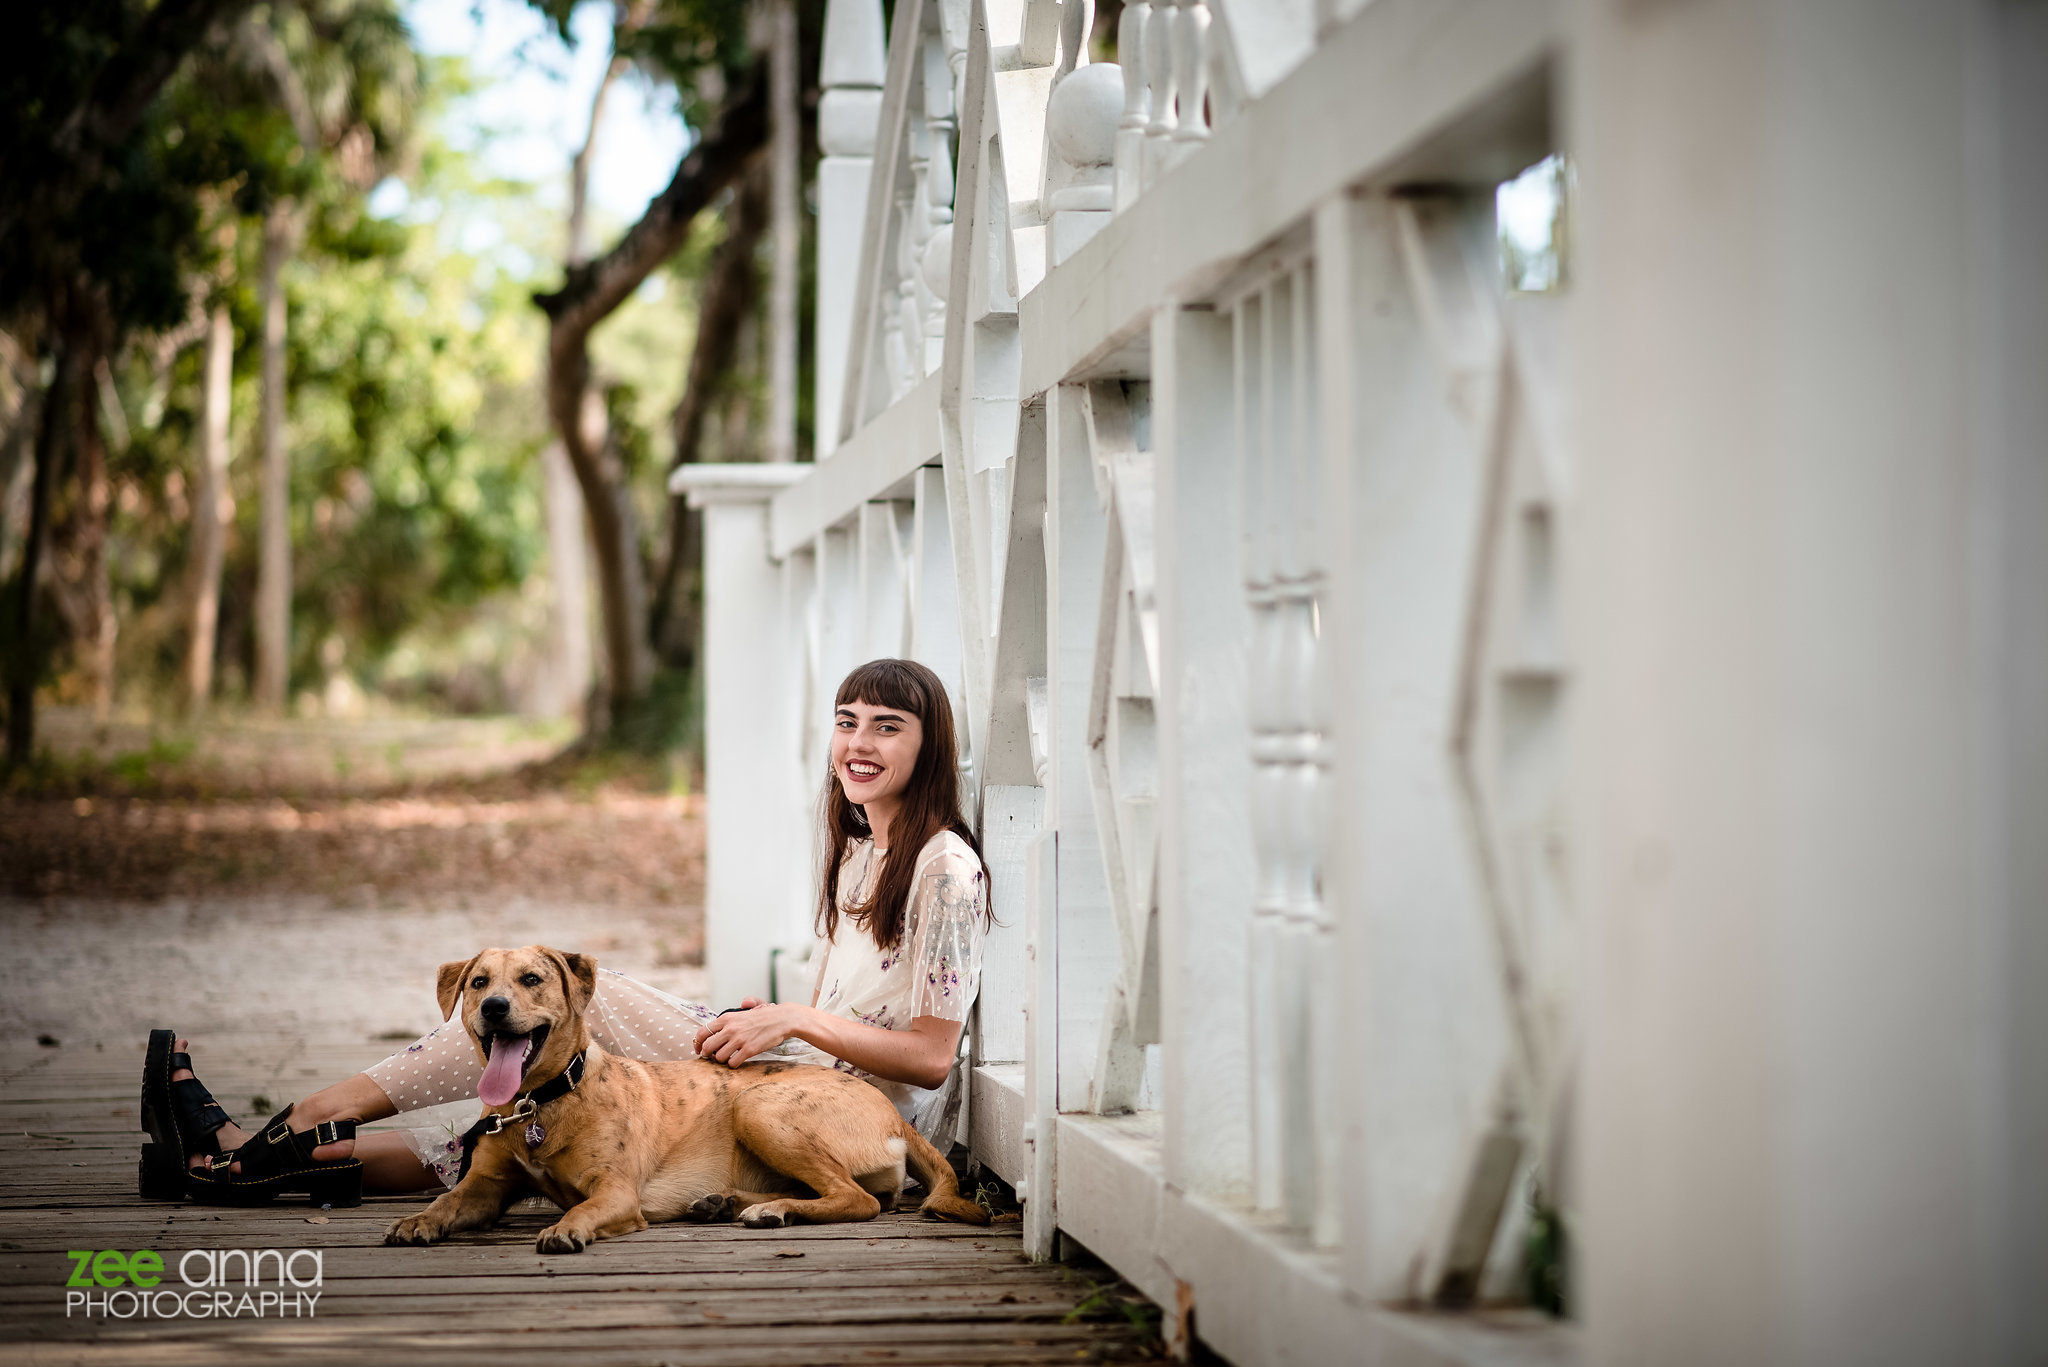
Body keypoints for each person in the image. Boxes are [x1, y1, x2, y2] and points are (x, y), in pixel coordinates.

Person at [140, 658, 991, 1203]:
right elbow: (839, 1007)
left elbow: (926, 1057)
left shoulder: (944, 868)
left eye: (887, 725)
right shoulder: (858, 854)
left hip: (843, 1106)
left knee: (580, 999)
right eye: (847, 721)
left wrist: (792, 1020)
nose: (858, 743)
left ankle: (260, 1138)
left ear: (931, 744)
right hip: (793, 1066)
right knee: (520, 1115)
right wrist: (772, 1016)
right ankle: (248, 1161)